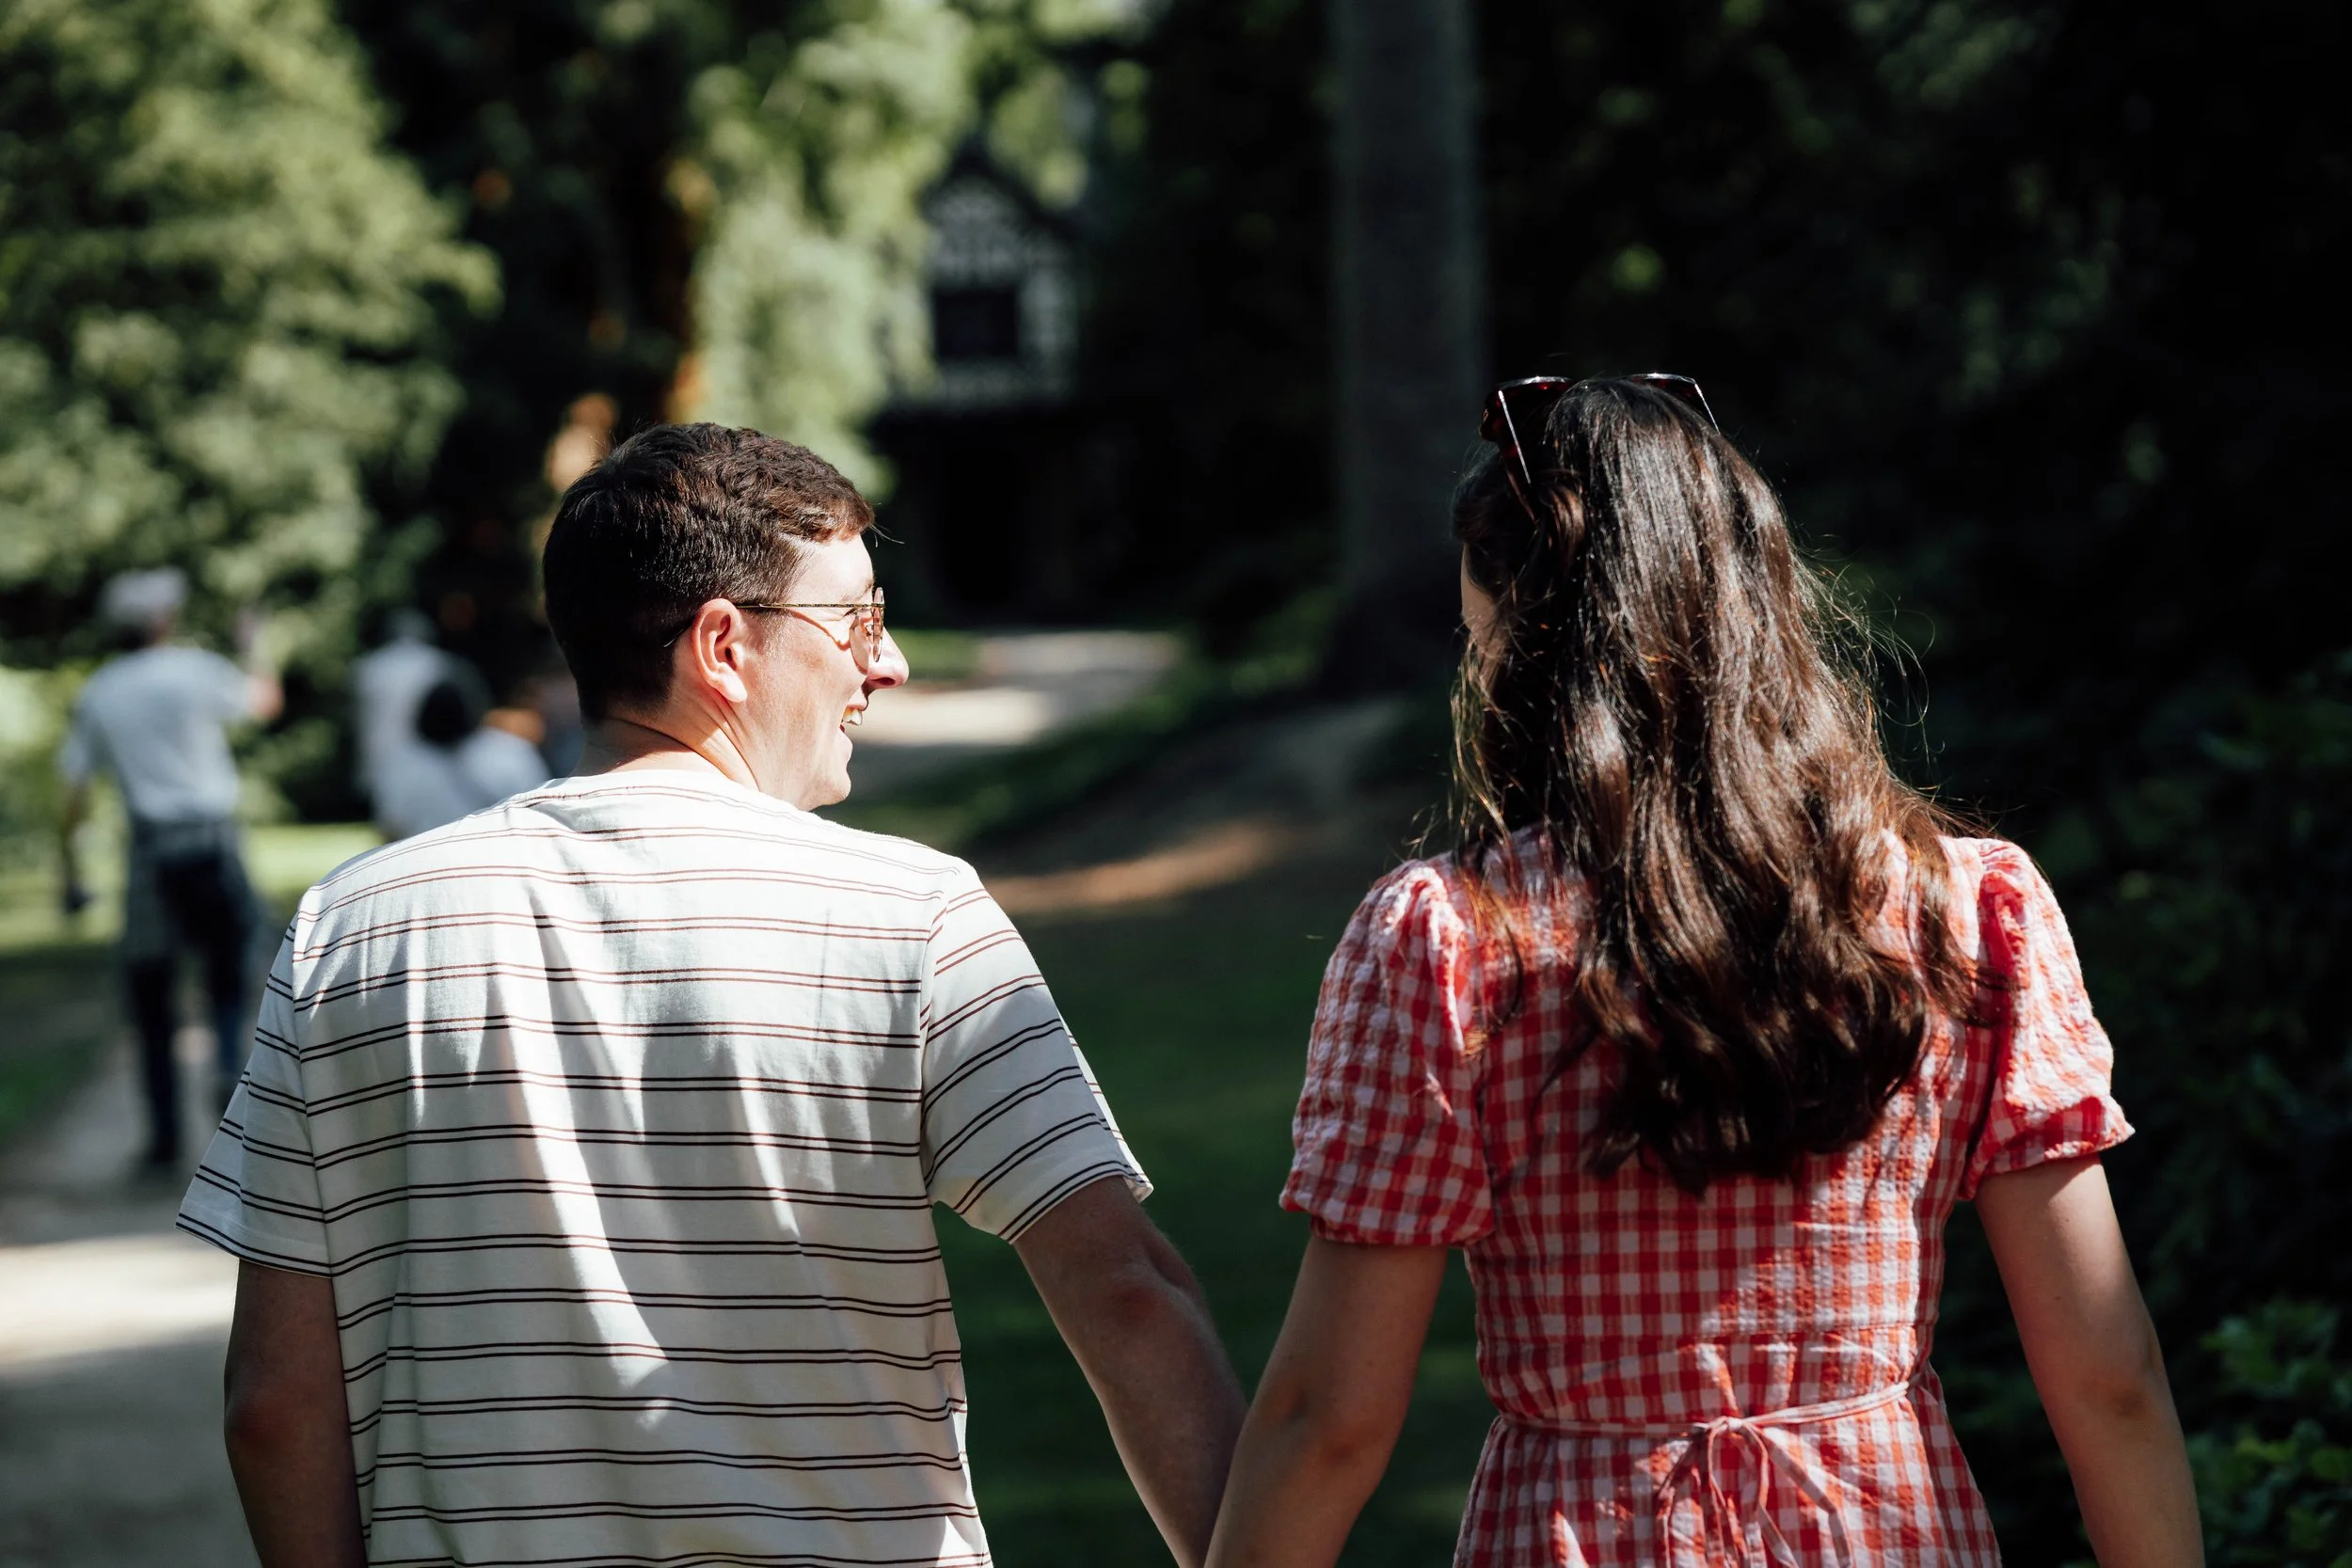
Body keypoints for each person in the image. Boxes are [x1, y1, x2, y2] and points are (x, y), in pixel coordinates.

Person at [177, 423, 1245, 1568]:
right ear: (724, 646)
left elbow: (275, 1404)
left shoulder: (357, 923)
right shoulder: (914, 914)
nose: (882, 666)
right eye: (856, 622)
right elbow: (1127, 1297)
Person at [1205, 376, 2202, 1567]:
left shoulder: (1451, 937)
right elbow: (2108, 1377)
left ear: (1519, 634)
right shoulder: (1966, 909)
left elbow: (1329, 1422)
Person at [59, 567, 280, 1167]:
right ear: (163, 622)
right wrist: (252, 646)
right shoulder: (195, 670)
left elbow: (75, 788)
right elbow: (264, 703)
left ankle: (163, 1138)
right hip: (212, 841)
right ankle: (229, 1072)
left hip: (150, 853)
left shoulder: (100, 689)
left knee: (151, 993)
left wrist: (69, 871)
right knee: (229, 972)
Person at [371, 676, 551, 840]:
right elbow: (537, 813)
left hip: (426, 863)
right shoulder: (511, 751)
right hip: (496, 858)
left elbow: (391, 828)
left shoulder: (400, 763)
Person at [349, 607, 463, 815]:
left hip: (383, 749)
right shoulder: (440, 664)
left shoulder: (370, 667)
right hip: (430, 753)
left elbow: (361, 719)